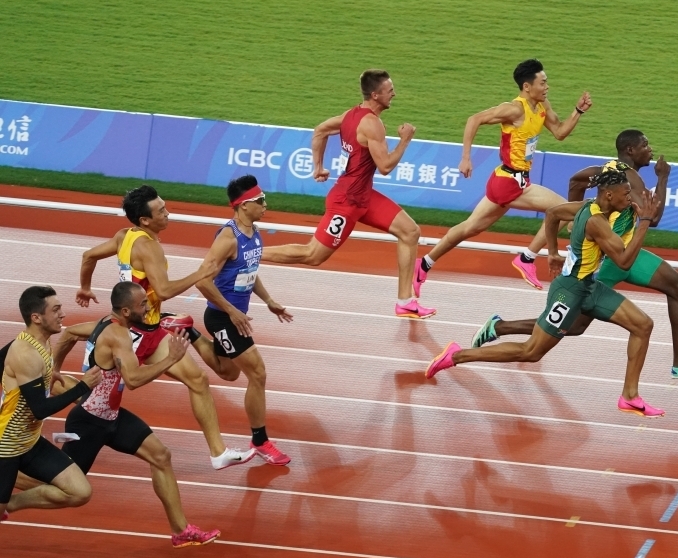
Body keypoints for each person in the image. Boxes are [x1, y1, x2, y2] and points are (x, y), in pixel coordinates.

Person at [471, 132, 678, 380]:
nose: (650, 149)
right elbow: (652, 218)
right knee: (574, 325)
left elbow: (575, 181)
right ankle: (499, 327)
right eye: (645, 145)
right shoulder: (630, 178)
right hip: (612, 258)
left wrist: (576, 221)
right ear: (630, 151)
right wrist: (663, 178)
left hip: (627, 252)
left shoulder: (605, 171)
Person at [426, 165, 665, 417]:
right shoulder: (596, 222)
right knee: (531, 352)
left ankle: (629, 396)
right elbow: (624, 262)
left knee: (642, 325)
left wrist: (552, 253)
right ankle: (457, 355)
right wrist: (644, 222)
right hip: (569, 292)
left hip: (589, 286)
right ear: (608, 195)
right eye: (625, 194)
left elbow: (552, 213)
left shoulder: (586, 206)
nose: (629, 198)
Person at [23, 282, 221, 547]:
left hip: (112, 416)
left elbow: (69, 334)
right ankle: (8, 483)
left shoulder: (108, 322)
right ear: (126, 311)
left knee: (161, 456)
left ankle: (180, 530)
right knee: (65, 486)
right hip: (89, 422)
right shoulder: (118, 335)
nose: (148, 308)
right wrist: (170, 359)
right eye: (142, 304)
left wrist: (53, 370)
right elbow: (134, 379)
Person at [76, 185, 255, 470]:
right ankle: (46, 406)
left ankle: (218, 453)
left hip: (151, 329)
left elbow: (88, 256)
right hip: (131, 335)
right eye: (161, 211)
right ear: (145, 220)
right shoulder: (149, 247)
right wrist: (200, 274)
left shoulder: (124, 236)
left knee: (198, 381)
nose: (168, 213)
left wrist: (85, 287)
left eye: (165, 206)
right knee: (98, 399)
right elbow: (164, 290)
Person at [260, 69, 435, 319]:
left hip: (363, 196)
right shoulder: (372, 125)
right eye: (389, 90)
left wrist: (318, 167)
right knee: (313, 255)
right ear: (375, 95)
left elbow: (320, 130)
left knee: (410, 232)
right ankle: (251, 254)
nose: (394, 94)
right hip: (347, 202)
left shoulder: (350, 115)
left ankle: (405, 302)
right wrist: (405, 140)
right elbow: (385, 167)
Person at [413, 58, 593, 294]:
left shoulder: (542, 106)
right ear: (527, 86)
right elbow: (474, 119)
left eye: (546, 82)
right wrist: (465, 158)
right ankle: (527, 258)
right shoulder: (514, 109)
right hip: (510, 183)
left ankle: (424, 264)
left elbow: (559, 132)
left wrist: (578, 111)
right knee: (565, 211)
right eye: (542, 83)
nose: (547, 87)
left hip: (507, 180)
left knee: (469, 228)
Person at [195, 175, 293, 465]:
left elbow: (249, 270)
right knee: (257, 373)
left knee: (229, 373)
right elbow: (202, 280)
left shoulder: (254, 232)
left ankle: (189, 332)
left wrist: (269, 300)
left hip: (231, 317)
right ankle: (260, 441)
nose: (265, 204)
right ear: (243, 205)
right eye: (260, 200)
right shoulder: (228, 238)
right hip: (223, 318)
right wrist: (231, 311)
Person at [1, 286, 102, 522]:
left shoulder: (41, 342)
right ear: (36, 318)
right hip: (6, 446)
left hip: (29, 441)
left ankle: (11, 504)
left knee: (80, 491)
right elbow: (40, 410)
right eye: (55, 310)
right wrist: (82, 386)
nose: (62, 314)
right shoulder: (25, 353)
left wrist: (45, 377)